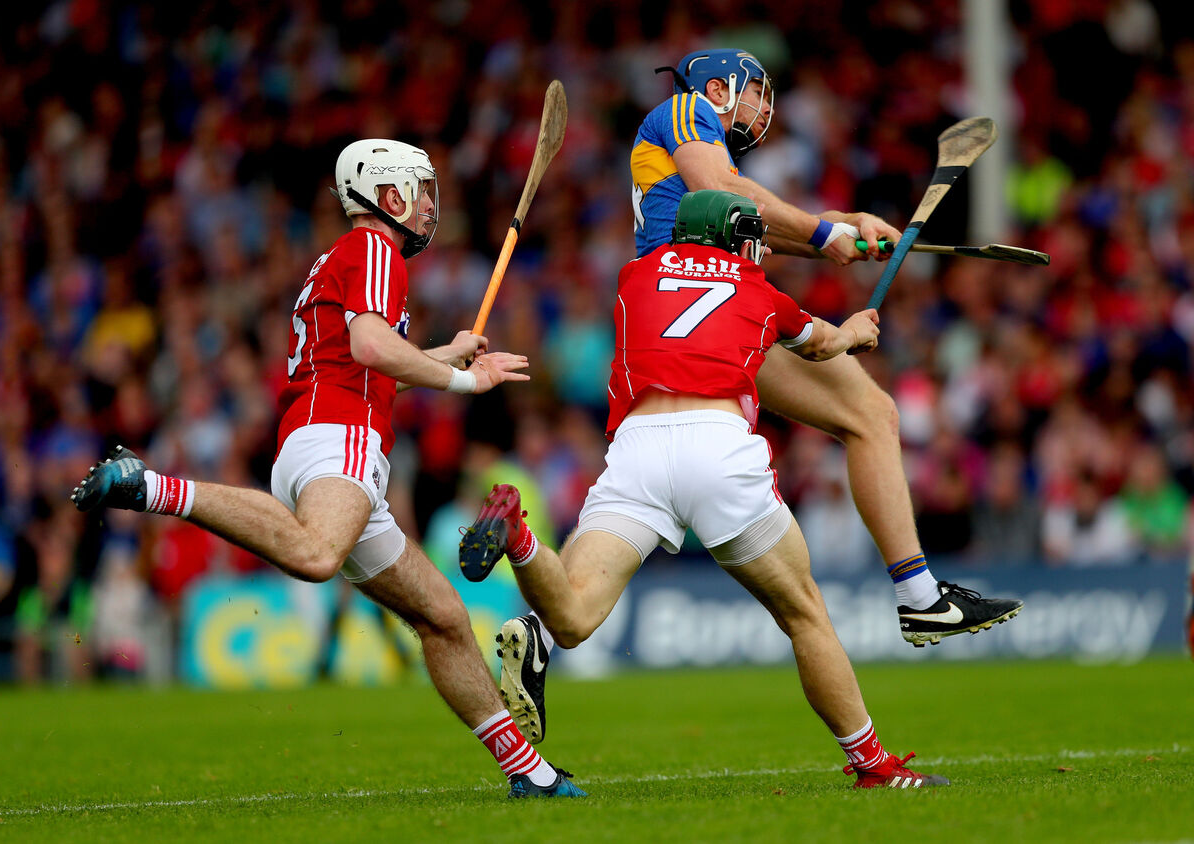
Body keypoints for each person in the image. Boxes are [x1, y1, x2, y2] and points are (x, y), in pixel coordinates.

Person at [488, 48, 1023, 749]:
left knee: (870, 417)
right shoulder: (685, 114)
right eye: (756, 93)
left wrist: (849, 227)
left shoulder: (711, 172)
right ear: (717, 88)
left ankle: (538, 609)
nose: (765, 108)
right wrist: (828, 234)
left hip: (677, 313)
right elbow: (734, 199)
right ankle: (920, 602)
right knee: (870, 418)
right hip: (711, 307)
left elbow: (746, 220)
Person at [71, 139, 584, 799]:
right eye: (421, 190)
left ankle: (530, 773)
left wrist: (447, 356)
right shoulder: (375, 250)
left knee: (444, 617)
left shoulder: (343, 261)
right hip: (337, 441)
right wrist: (462, 385)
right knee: (315, 556)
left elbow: (367, 367)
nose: (431, 204)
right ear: (388, 197)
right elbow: (372, 348)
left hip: (333, 443)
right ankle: (149, 484)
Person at [462, 190, 952, 788]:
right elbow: (819, 346)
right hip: (718, 444)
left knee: (571, 617)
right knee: (804, 615)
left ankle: (519, 537)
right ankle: (874, 765)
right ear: (735, 239)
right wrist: (853, 332)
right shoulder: (758, 290)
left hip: (637, 448)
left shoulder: (632, 276)